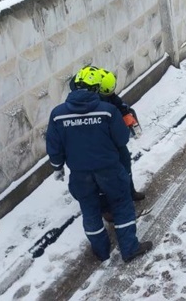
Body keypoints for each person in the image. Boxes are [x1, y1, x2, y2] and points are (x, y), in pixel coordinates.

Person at [47, 66, 153, 263]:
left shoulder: (58, 114)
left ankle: (101, 251)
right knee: (122, 205)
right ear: (96, 89)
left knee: (89, 209)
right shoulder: (107, 111)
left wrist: (57, 166)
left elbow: (54, 146)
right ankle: (129, 248)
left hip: (80, 174)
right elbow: (121, 139)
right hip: (109, 170)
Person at [68, 67, 145, 202]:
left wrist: (124, 111)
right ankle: (106, 205)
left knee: (125, 160)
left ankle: (129, 191)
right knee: (101, 174)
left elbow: (114, 99)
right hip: (96, 141)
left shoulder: (103, 84)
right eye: (106, 94)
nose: (110, 95)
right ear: (97, 89)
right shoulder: (83, 98)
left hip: (113, 134)